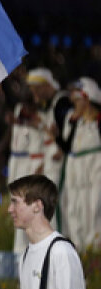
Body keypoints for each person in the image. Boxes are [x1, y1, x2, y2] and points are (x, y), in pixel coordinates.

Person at [6, 68, 71, 249]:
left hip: (48, 162)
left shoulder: (59, 103)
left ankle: (53, 243)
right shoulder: (43, 108)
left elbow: (52, 135)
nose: (34, 94)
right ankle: (28, 249)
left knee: (50, 204)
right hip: (35, 161)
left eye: (36, 89)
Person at [58, 77, 101, 250]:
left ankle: (95, 250)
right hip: (76, 169)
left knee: (95, 206)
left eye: (77, 100)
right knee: (76, 208)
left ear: (87, 98)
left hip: (95, 166)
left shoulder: (98, 122)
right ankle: (80, 249)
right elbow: (67, 145)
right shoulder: (75, 122)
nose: (73, 104)